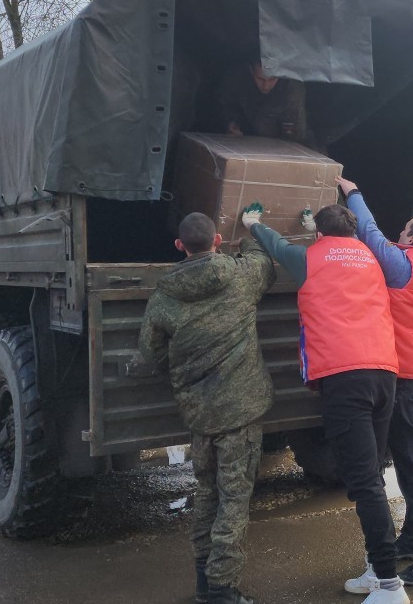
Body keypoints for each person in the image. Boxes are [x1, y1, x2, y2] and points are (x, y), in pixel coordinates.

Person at [242, 202, 409, 604]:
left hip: (344, 378)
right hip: (385, 373)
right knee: (373, 476)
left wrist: (253, 224)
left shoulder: (310, 257)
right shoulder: (371, 255)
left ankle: (389, 585)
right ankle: (377, 569)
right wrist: (313, 229)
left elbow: (277, 247)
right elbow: (338, 250)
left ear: (319, 234)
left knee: (365, 483)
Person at [129, 212, 276, 604]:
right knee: (234, 501)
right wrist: (247, 232)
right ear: (216, 240)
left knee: (208, 494)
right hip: (241, 413)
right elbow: (263, 259)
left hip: (199, 413)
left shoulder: (162, 297)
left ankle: (203, 582)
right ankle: (222, 591)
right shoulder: (240, 276)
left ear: (179, 246)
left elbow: (149, 356)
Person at [334, 176, 413, 590]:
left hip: (411, 380)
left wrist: (353, 194)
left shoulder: (406, 266)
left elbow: (368, 233)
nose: (397, 235)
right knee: (408, 462)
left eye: (403, 231)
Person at [214, 61, 308, 143]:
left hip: (284, 146)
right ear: (251, 70)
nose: (266, 86)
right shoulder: (237, 79)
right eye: (260, 79)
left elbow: (296, 136)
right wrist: (232, 123)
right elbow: (227, 106)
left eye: (272, 79)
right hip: (243, 142)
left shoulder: (291, 87)